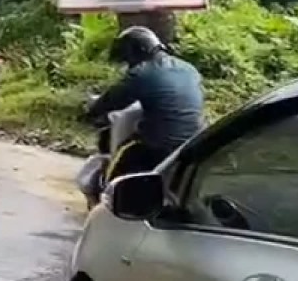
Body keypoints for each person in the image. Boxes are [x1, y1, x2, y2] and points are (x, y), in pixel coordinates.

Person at [82, 25, 205, 180]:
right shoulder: (189, 69)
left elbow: (110, 102)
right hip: (191, 145)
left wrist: (90, 111)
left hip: (157, 148)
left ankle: (109, 193)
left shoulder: (141, 73)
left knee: (118, 173)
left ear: (135, 52)